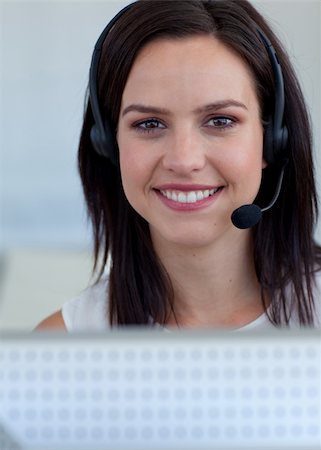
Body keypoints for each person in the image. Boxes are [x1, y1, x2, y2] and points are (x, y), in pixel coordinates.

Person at [36, 0, 321, 331]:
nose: (184, 161)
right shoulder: (63, 347)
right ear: (109, 146)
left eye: (220, 120)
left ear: (273, 139)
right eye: (149, 124)